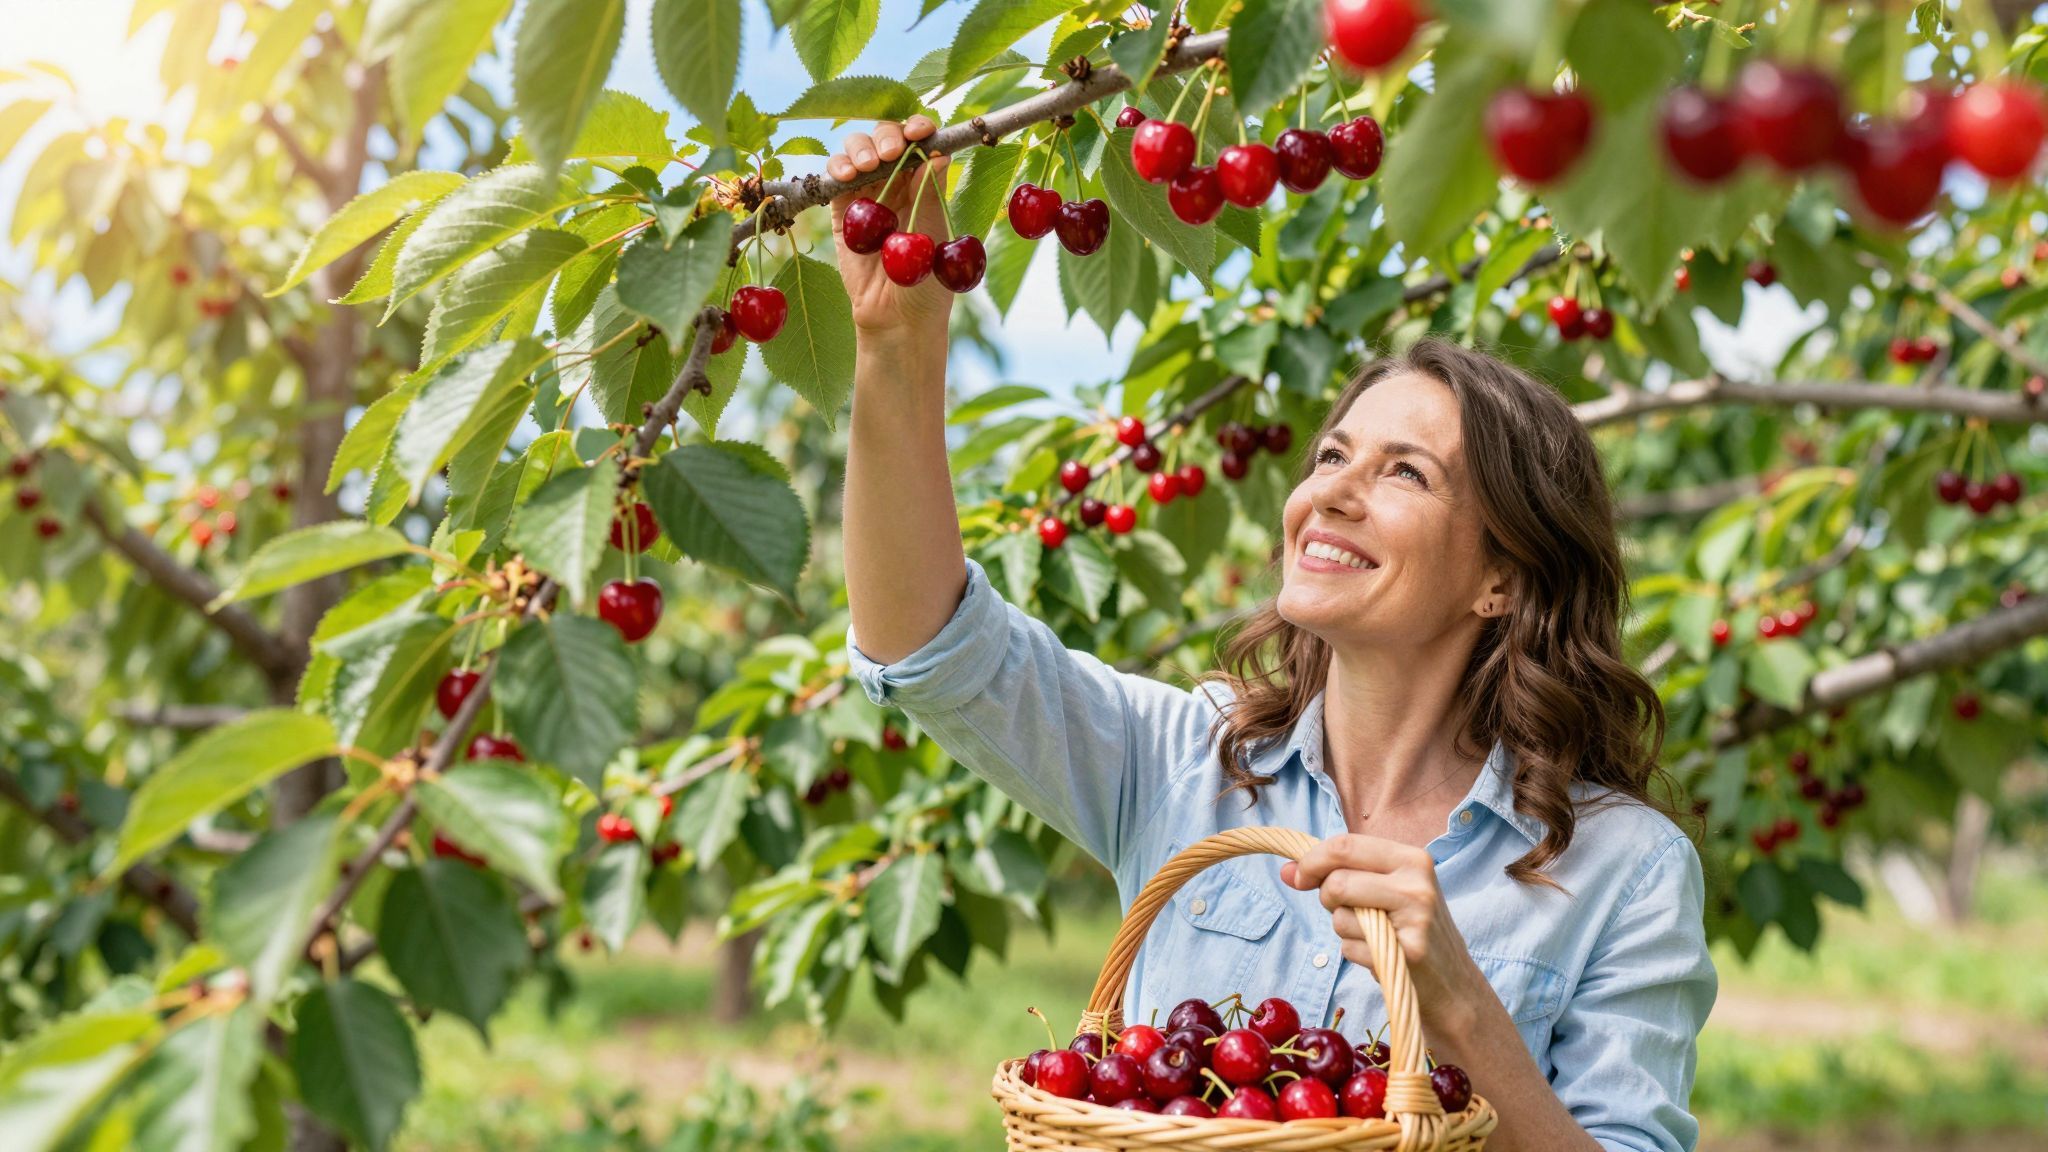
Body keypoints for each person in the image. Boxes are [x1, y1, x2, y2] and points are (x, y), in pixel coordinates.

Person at [829, 116, 1716, 1152]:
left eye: (1404, 472)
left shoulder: (1622, 868)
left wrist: (1461, 1011)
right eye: (1332, 456)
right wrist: (898, 344)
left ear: (1502, 580)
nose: (1330, 492)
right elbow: (930, 649)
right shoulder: (1187, 763)